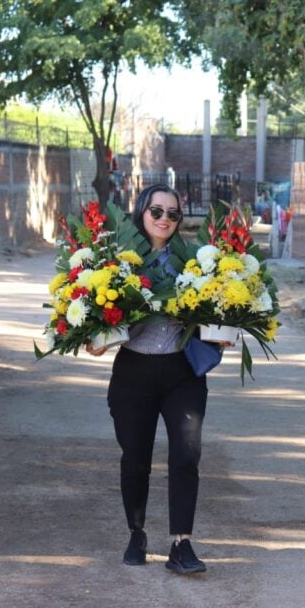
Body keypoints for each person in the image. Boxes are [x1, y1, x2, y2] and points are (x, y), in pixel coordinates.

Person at [86, 183, 212, 575]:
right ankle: (136, 532)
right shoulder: (118, 261)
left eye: (173, 214)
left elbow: (215, 309)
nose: (164, 220)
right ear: (141, 212)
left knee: (186, 456)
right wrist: (95, 335)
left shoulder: (194, 262)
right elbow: (97, 313)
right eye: (156, 211)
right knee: (135, 458)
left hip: (181, 372)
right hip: (134, 372)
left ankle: (181, 543)